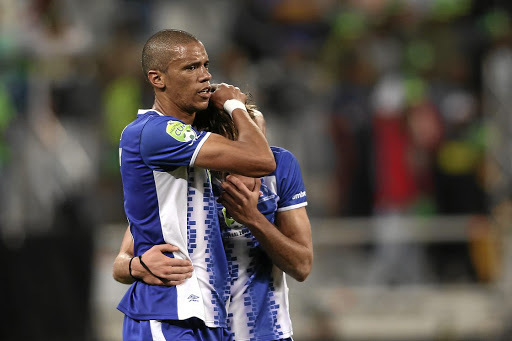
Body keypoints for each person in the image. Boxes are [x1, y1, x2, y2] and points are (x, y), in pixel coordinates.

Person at [116, 29, 275, 341]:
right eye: (190, 68)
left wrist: (131, 265)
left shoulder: (193, 151)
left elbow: (127, 251)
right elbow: (262, 159)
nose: (205, 76)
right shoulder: (155, 133)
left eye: (205, 65)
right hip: (168, 313)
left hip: (208, 312)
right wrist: (234, 106)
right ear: (157, 78)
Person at [114, 104, 313, 340]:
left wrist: (253, 219)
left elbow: (302, 266)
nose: (261, 157)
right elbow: (121, 264)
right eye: (248, 144)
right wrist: (137, 266)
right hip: (204, 330)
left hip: (268, 333)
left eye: (261, 140)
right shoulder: (186, 173)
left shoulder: (281, 167)